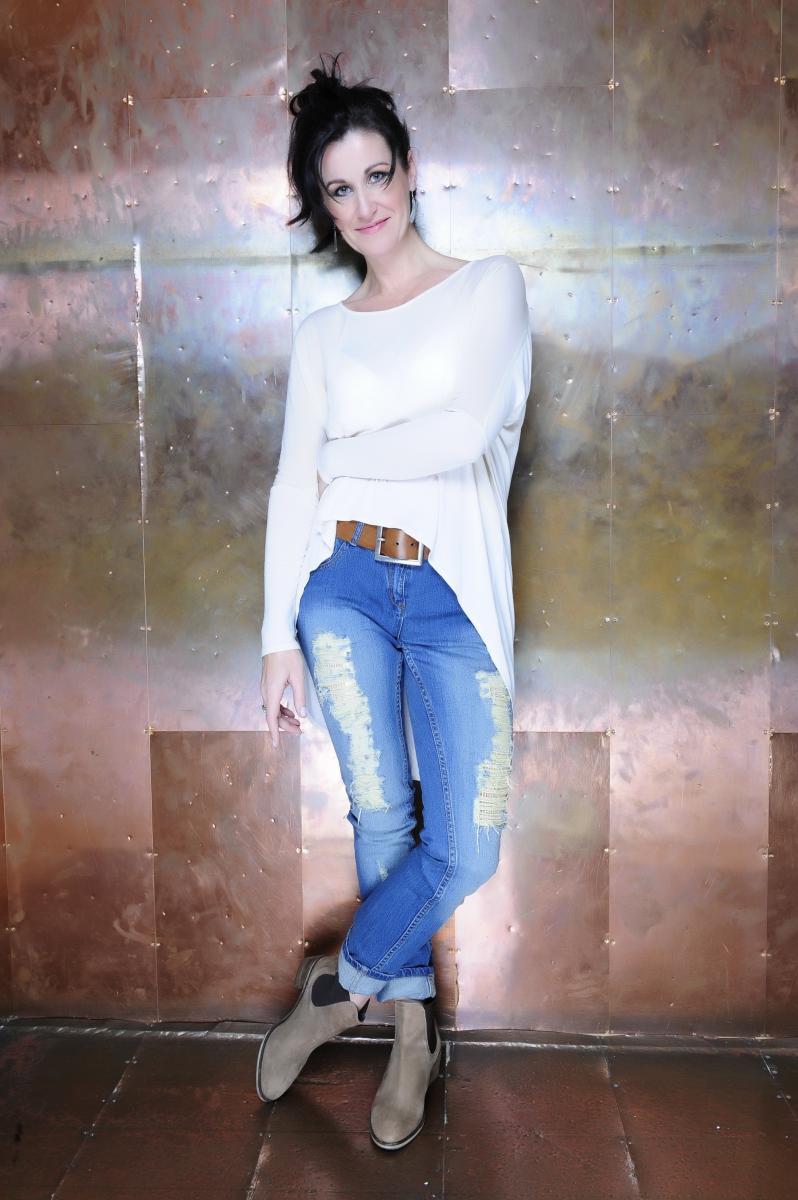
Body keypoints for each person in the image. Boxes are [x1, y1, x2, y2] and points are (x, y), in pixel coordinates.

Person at [255, 52, 532, 1151]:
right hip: (342, 590)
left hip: (454, 592)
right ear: (324, 207)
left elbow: (465, 432)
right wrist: (273, 635)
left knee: (467, 847)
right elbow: (294, 485)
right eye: (340, 189)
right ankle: (412, 1035)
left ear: (410, 169)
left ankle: (341, 991)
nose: (366, 203)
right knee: (381, 816)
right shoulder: (322, 335)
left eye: (377, 175)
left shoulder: (489, 287)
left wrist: (344, 455)